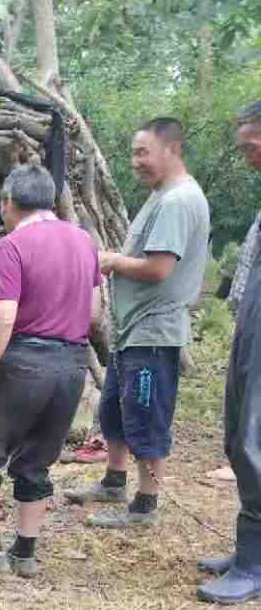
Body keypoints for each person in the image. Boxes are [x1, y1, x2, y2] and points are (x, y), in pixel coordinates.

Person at [0, 165, 103, 577]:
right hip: (72, 365)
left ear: (8, 202)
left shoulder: (12, 245)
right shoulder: (85, 242)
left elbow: (2, 317)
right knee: (36, 460)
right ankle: (25, 553)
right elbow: (94, 312)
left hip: (26, 362)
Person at [66, 117, 212, 526]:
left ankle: (145, 505)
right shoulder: (162, 195)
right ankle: (114, 481)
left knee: (146, 417)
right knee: (115, 409)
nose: (135, 161)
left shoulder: (177, 201)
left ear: (172, 149)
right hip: (134, 330)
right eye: (133, 153)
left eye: (143, 152)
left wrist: (112, 260)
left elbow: (159, 268)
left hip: (154, 332)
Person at [197, 102, 261, 603]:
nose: (247, 158)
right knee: (238, 432)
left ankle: (254, 564)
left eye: (251, 147)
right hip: (251, 325)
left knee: (256, 439)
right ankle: (249, 550)